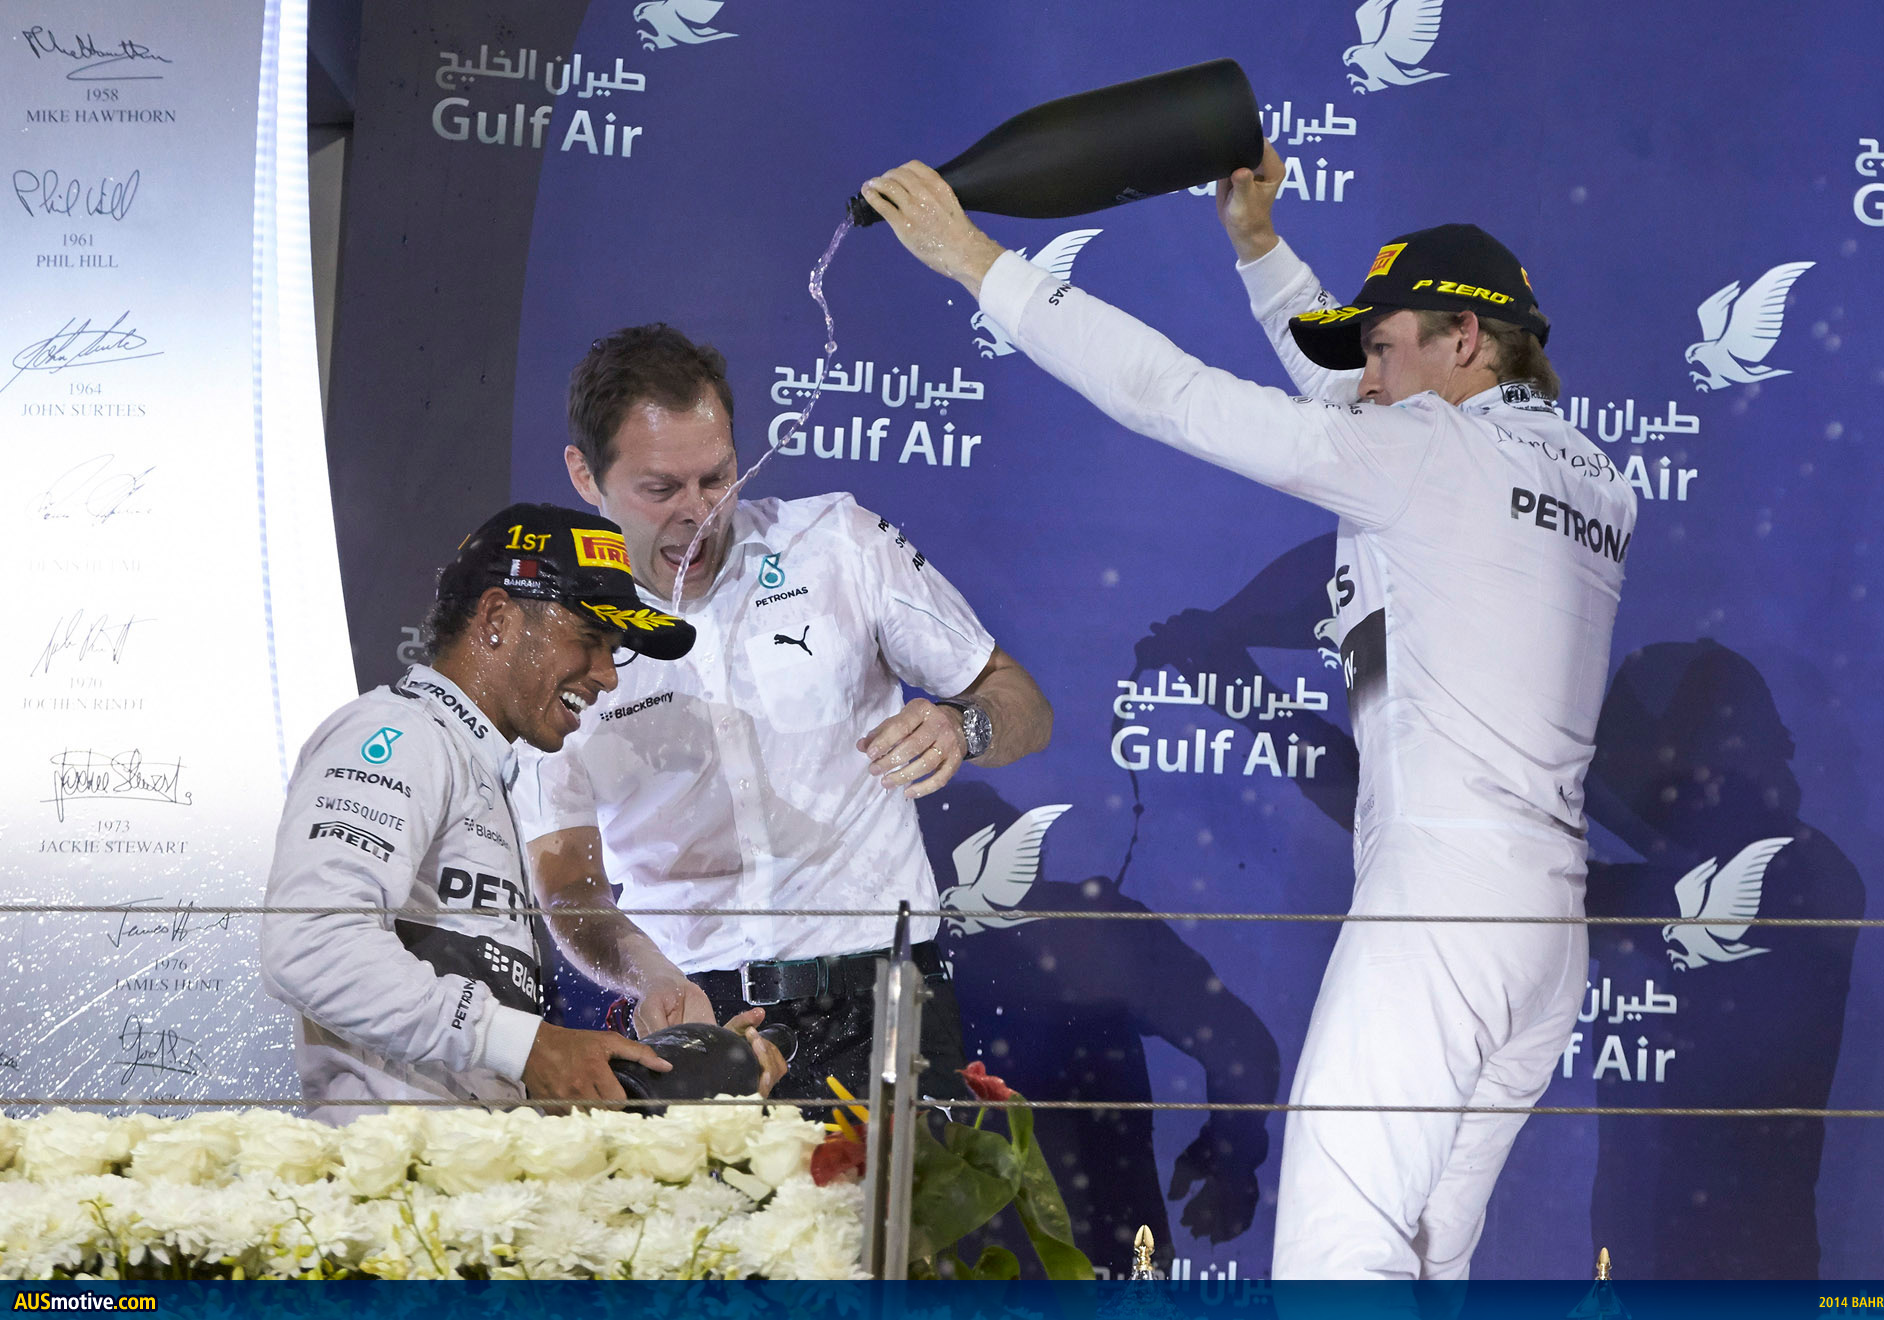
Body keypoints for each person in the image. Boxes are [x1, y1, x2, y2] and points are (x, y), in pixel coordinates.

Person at [859, 143, 1636, 1278]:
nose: (1366, 378)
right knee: (1428, 1256)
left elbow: (1171, 396)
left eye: (1382, 348)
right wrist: (1260, 249)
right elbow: (1355, 408)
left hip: (1443, 904)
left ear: (1465, 339)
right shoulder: (1592, 476)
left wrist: (975, 261)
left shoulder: (1426, 453)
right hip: (1542, 930)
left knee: (1338, 1252)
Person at [518, 324, 1054, 1102]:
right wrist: (650, 975)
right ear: (585, 475)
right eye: (661, 489)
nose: (698, 514)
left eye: (717, 478)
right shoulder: (553, 635)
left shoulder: (839, 544)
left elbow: (1021, 702)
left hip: (885, 997)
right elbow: (567, 879)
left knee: (916, 1191)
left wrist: (962, 726)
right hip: (699, 1015)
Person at [261, 502, 779, 1120]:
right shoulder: (398, 733)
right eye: (590, 640)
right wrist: (531, 1046)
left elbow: (474, 1073)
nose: (608, 676)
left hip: (458, 1168)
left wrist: (693, 1070)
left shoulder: (484, 770)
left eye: (615, 650)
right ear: (497, 618)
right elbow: (309, 941)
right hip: (389, 1173)